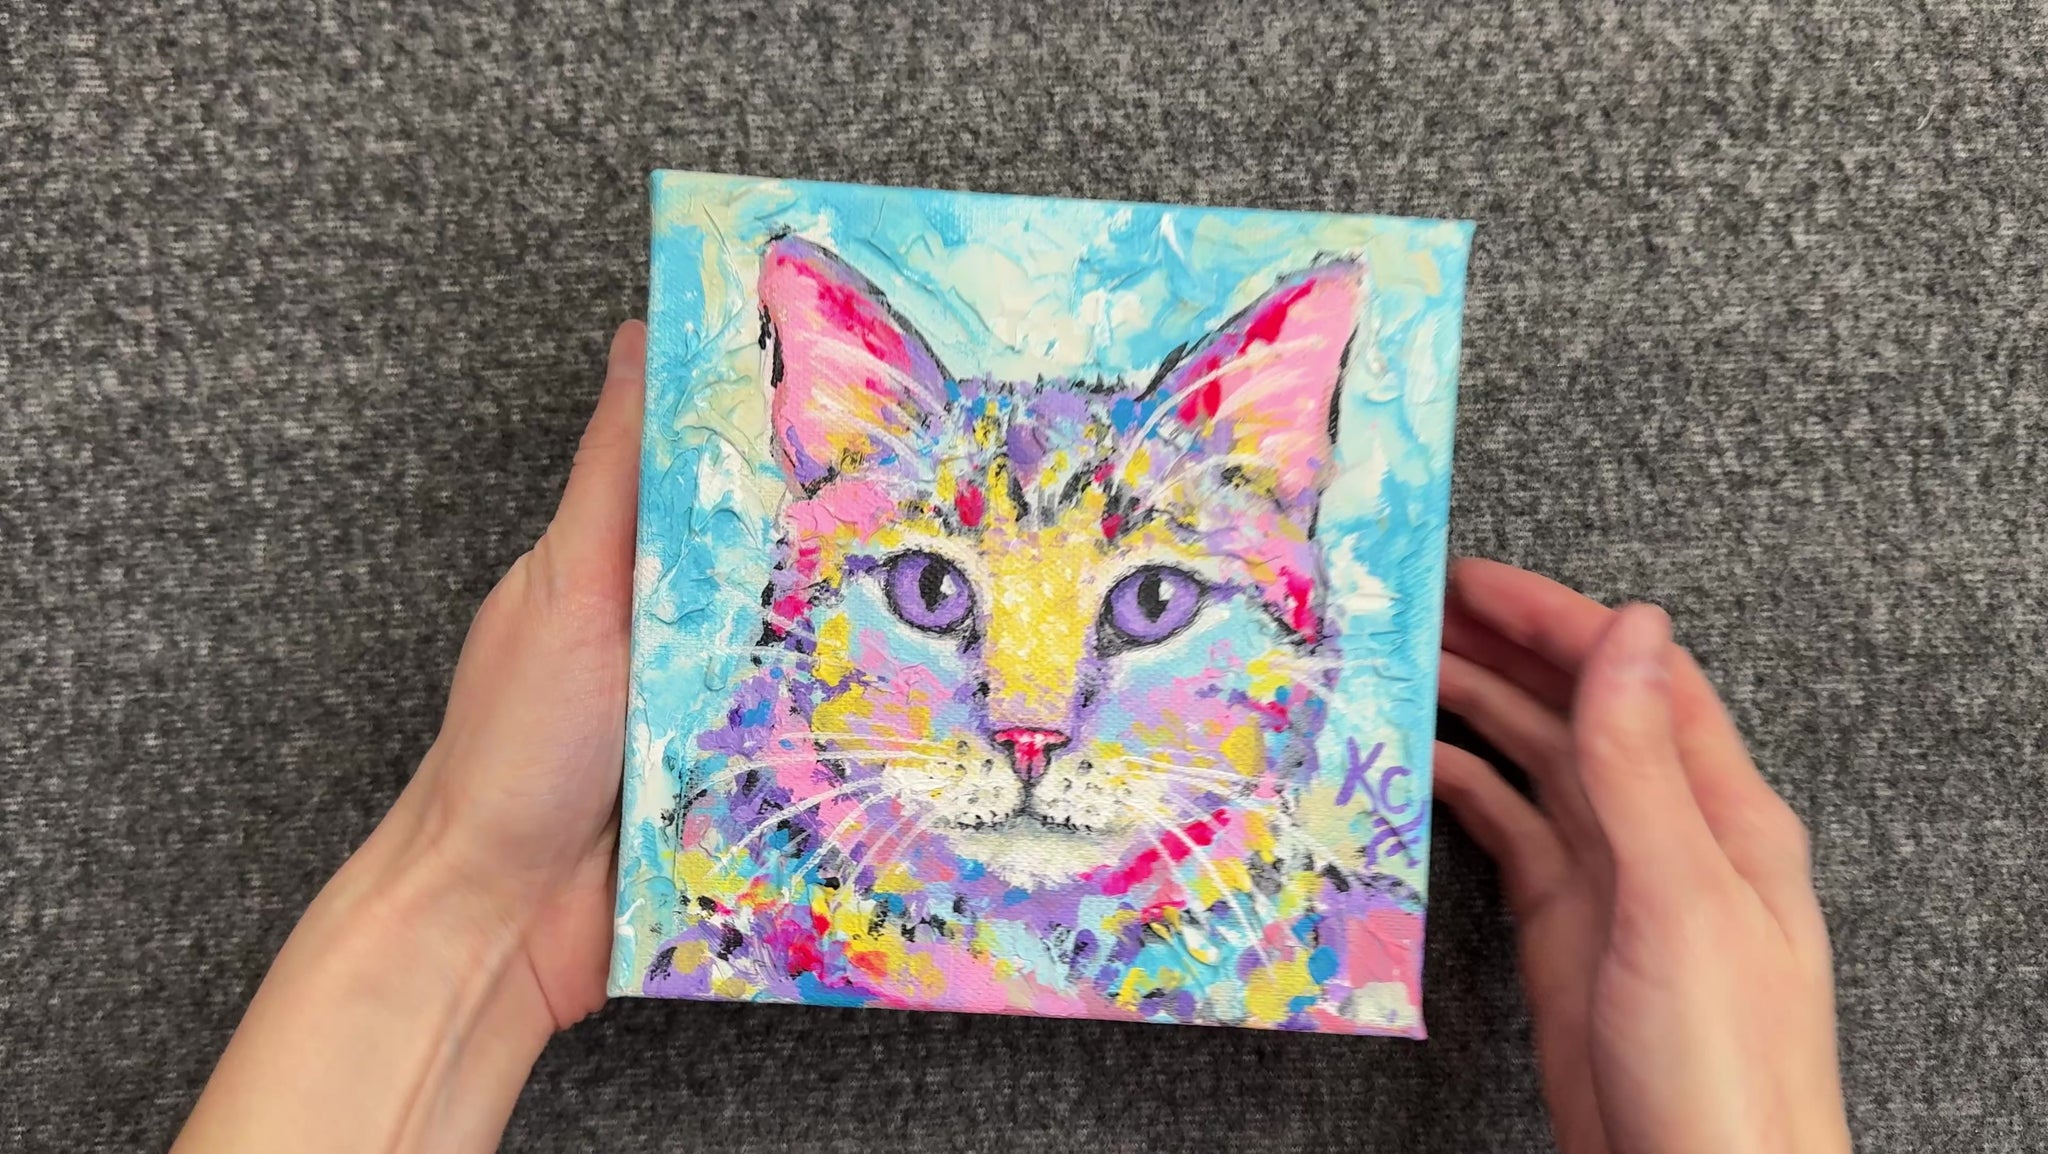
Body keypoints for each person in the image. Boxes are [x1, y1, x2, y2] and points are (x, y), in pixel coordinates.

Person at [172, 323, 1853, 1153]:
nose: (1032, 721)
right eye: (930, 590)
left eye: (1148, 604)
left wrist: (460, 894)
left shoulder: (1316, 914)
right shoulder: (720, 874)